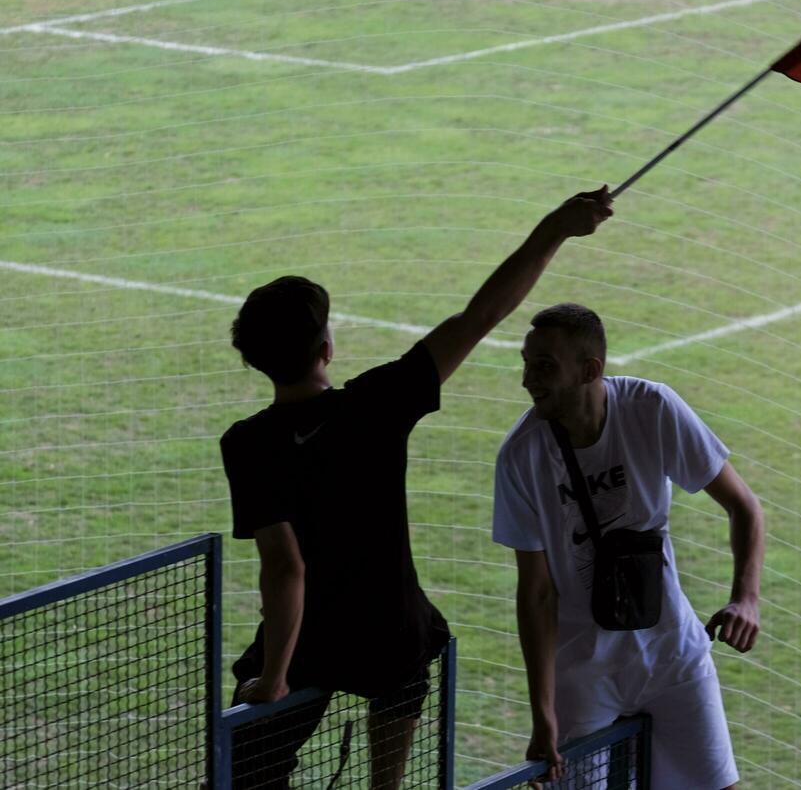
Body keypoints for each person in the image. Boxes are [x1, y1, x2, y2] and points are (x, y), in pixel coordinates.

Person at [222, 188, 613, 789]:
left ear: (254, 360)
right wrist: (557, 228)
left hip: (305, 642)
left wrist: (275, 676)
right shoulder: (378, 402)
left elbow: (285, 569)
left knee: (245, 775)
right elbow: (482, 314)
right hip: (393, 638)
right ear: (327, 349)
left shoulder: (246, 444)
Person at [492, 303, 765, 789]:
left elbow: (744, 506)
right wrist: (544, 713)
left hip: (673, 654)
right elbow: (536, 593)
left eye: (544, 366)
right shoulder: (522, 456)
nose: (527, 380)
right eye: (527, 363)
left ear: (590, 370)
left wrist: (746, 597)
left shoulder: (651, 408)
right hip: (583, 672)